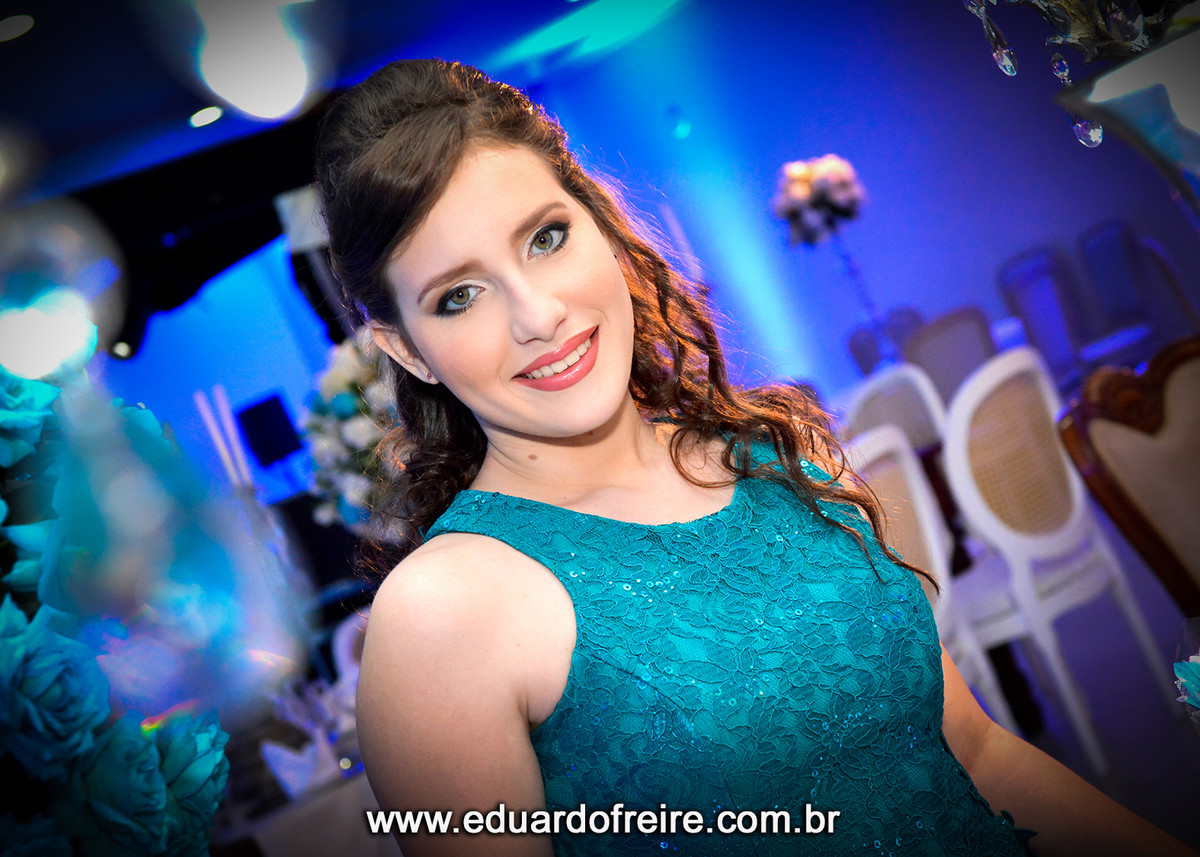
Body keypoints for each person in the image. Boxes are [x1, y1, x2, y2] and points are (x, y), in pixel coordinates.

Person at [314, 59, 1196, 857]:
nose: (537, 313)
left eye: (545, 237)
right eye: (460, 295)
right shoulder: (442, 614)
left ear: (600, 226)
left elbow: (974, 749)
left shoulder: (778, 456)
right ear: (407, 349)